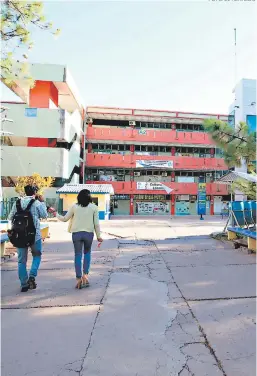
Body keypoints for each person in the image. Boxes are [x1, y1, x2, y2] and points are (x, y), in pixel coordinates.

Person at [54, 189, 103, 289]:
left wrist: (56, 215)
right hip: (89, 234)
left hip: (76, 234)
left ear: (79, 197)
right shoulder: (94, 207)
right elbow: (96, 224)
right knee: (87, 254)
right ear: (89, 197)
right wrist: (99, 236)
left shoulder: (74, 206)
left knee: (78, 255)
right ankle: (85, 275)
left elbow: (65, 219)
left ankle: (78, 278)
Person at [8, 185, 48, 292]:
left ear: (25, 192)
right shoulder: (36, 203)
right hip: (35, 236)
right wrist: (42, 202)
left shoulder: (17, 203)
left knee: (21, 261)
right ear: (34, 192)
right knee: (37, 255)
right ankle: (32, 276)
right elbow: (45, 214)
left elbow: (10, 217)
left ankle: (24, 284)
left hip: (20, 236)